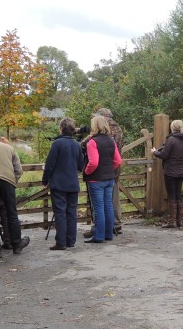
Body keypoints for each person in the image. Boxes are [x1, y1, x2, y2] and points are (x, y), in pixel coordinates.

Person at [42, 117, 85, 250]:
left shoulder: (57, 144)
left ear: (61, 128)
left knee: (60, 212)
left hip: (59, 183)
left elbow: (49, 164)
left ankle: (61, 242)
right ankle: (70, 241)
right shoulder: (77, 145)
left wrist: (45, 180)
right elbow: (81, 165)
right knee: (71, 212)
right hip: (72, 183)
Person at [83, 107, 124, 237]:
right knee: (112, 202)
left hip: (97, 173)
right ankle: (114, 227)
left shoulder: (95, 138)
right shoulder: (118, 130)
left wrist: (87, 171)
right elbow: (117, 157)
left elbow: (86, 151)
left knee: (98, 205)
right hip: (112, 172)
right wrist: (110, 169)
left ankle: (98, 230)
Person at [151, 119, 183, 228]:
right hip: (181, 171)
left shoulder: (171, 140)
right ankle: (179, 221)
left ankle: (172, 221)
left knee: (171, 196)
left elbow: (164, 155)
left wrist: (155, 152)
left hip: (170, 171)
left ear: (172, 128)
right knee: (178, 195)